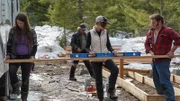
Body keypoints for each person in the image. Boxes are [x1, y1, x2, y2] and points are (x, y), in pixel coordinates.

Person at [144, 14, 180, 101]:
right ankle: (161, 96)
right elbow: (146, 44)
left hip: (163, 59)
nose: (152, 24)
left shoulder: (168, 31)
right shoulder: (150, 32)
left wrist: (172, 51)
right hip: (155, 59)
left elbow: (178, 39)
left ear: (159, 22)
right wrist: (151, 51)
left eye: (153, 22)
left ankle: (171, 99)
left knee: (164, 81)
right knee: (156, 81)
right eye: (151, 22)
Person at [85, 15, 119, 101]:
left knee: (115, 70)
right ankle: (101, 98)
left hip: (105, 57)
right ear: (98, 24)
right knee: (98, 79)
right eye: (103, 25)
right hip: (95, 59)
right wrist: (89, 52)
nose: (104, 27)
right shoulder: (90, 33)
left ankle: (110, 91)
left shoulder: (105, 32)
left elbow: (108, 45)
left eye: (105, 25)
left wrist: (112, 51)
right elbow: (86, 47)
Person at [6, 12, 37, 101]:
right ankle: (16, 89)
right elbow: (9, 44)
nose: (19, 25)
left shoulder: (31, 31)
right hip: (15, 56)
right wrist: (8, 54)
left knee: (25, 78)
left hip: (27, 57)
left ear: (25, 22)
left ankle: (24, 97)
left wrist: (32, 55)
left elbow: (35, 45)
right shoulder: (13, 30)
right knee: (12, 71)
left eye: (21, 23)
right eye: (18, 23)